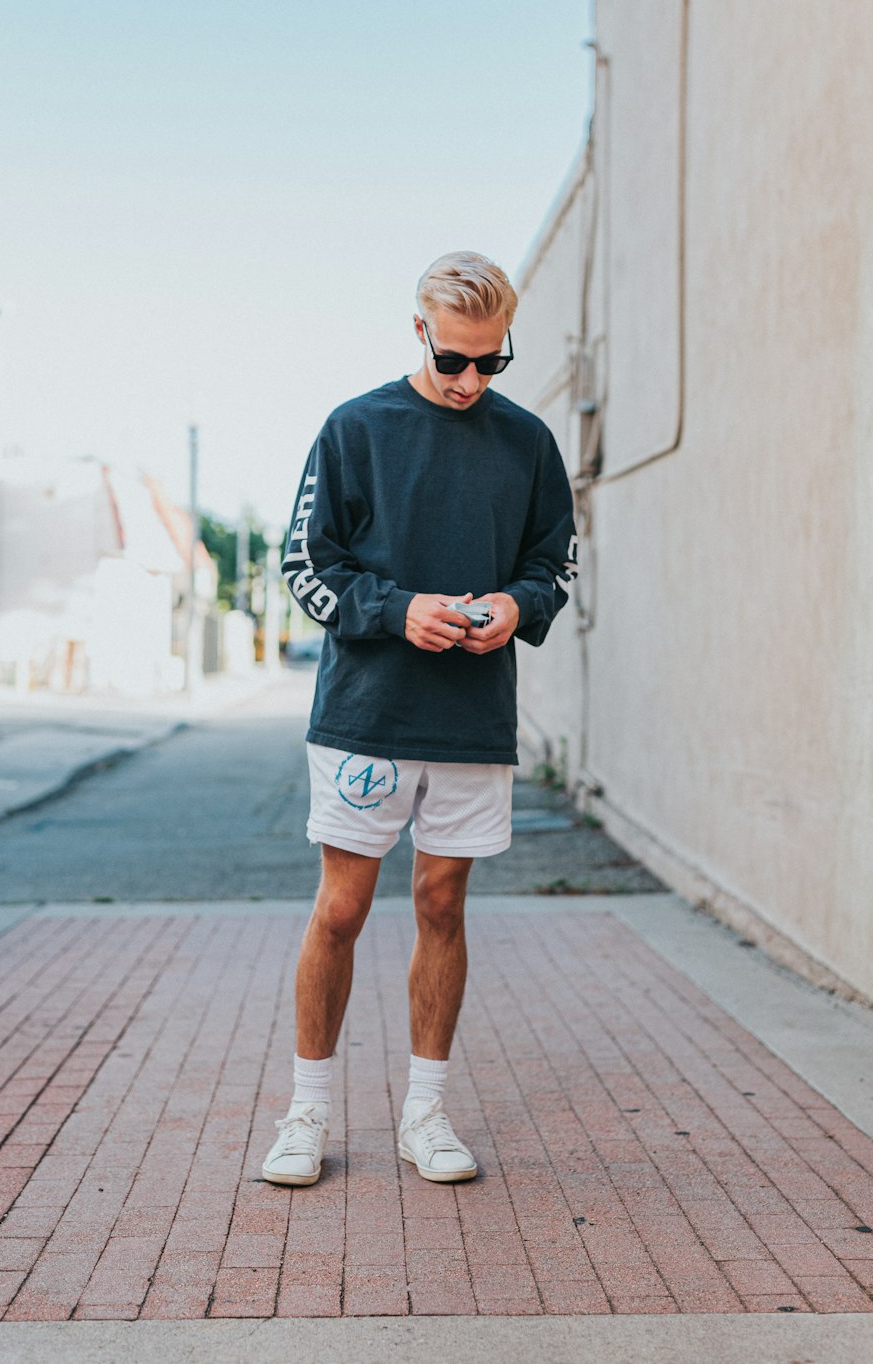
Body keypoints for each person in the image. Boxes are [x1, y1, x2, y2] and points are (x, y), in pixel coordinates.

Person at [262, 251, 577, 1187]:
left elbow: (553, 563)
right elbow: (305, 567)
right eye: (454, 362)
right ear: (419, 334)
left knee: (442, 903)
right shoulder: (355, 429)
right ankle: (306, 1113)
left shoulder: (526, 443)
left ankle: (426, 1114)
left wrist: (521, 608)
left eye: (492, 363)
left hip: (473, 717)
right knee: (343, 908)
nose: (471, 381)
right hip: (368, 712)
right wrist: (397, 610)